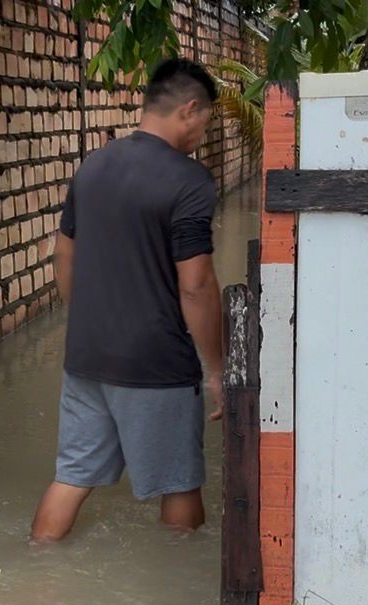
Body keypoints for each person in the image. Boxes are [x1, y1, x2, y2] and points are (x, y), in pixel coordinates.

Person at [31, 59, 224, 542]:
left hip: (86, 357)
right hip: (156, 363)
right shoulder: (190, 181)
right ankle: (171, 582)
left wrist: (89, 322)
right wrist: (218, 369)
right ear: (189, 109)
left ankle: (35, 565)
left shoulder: (93, 167)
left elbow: (62, 255)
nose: (205, 132)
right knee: (178, 484)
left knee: (72, 477)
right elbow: (197, 284)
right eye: (207, 121)